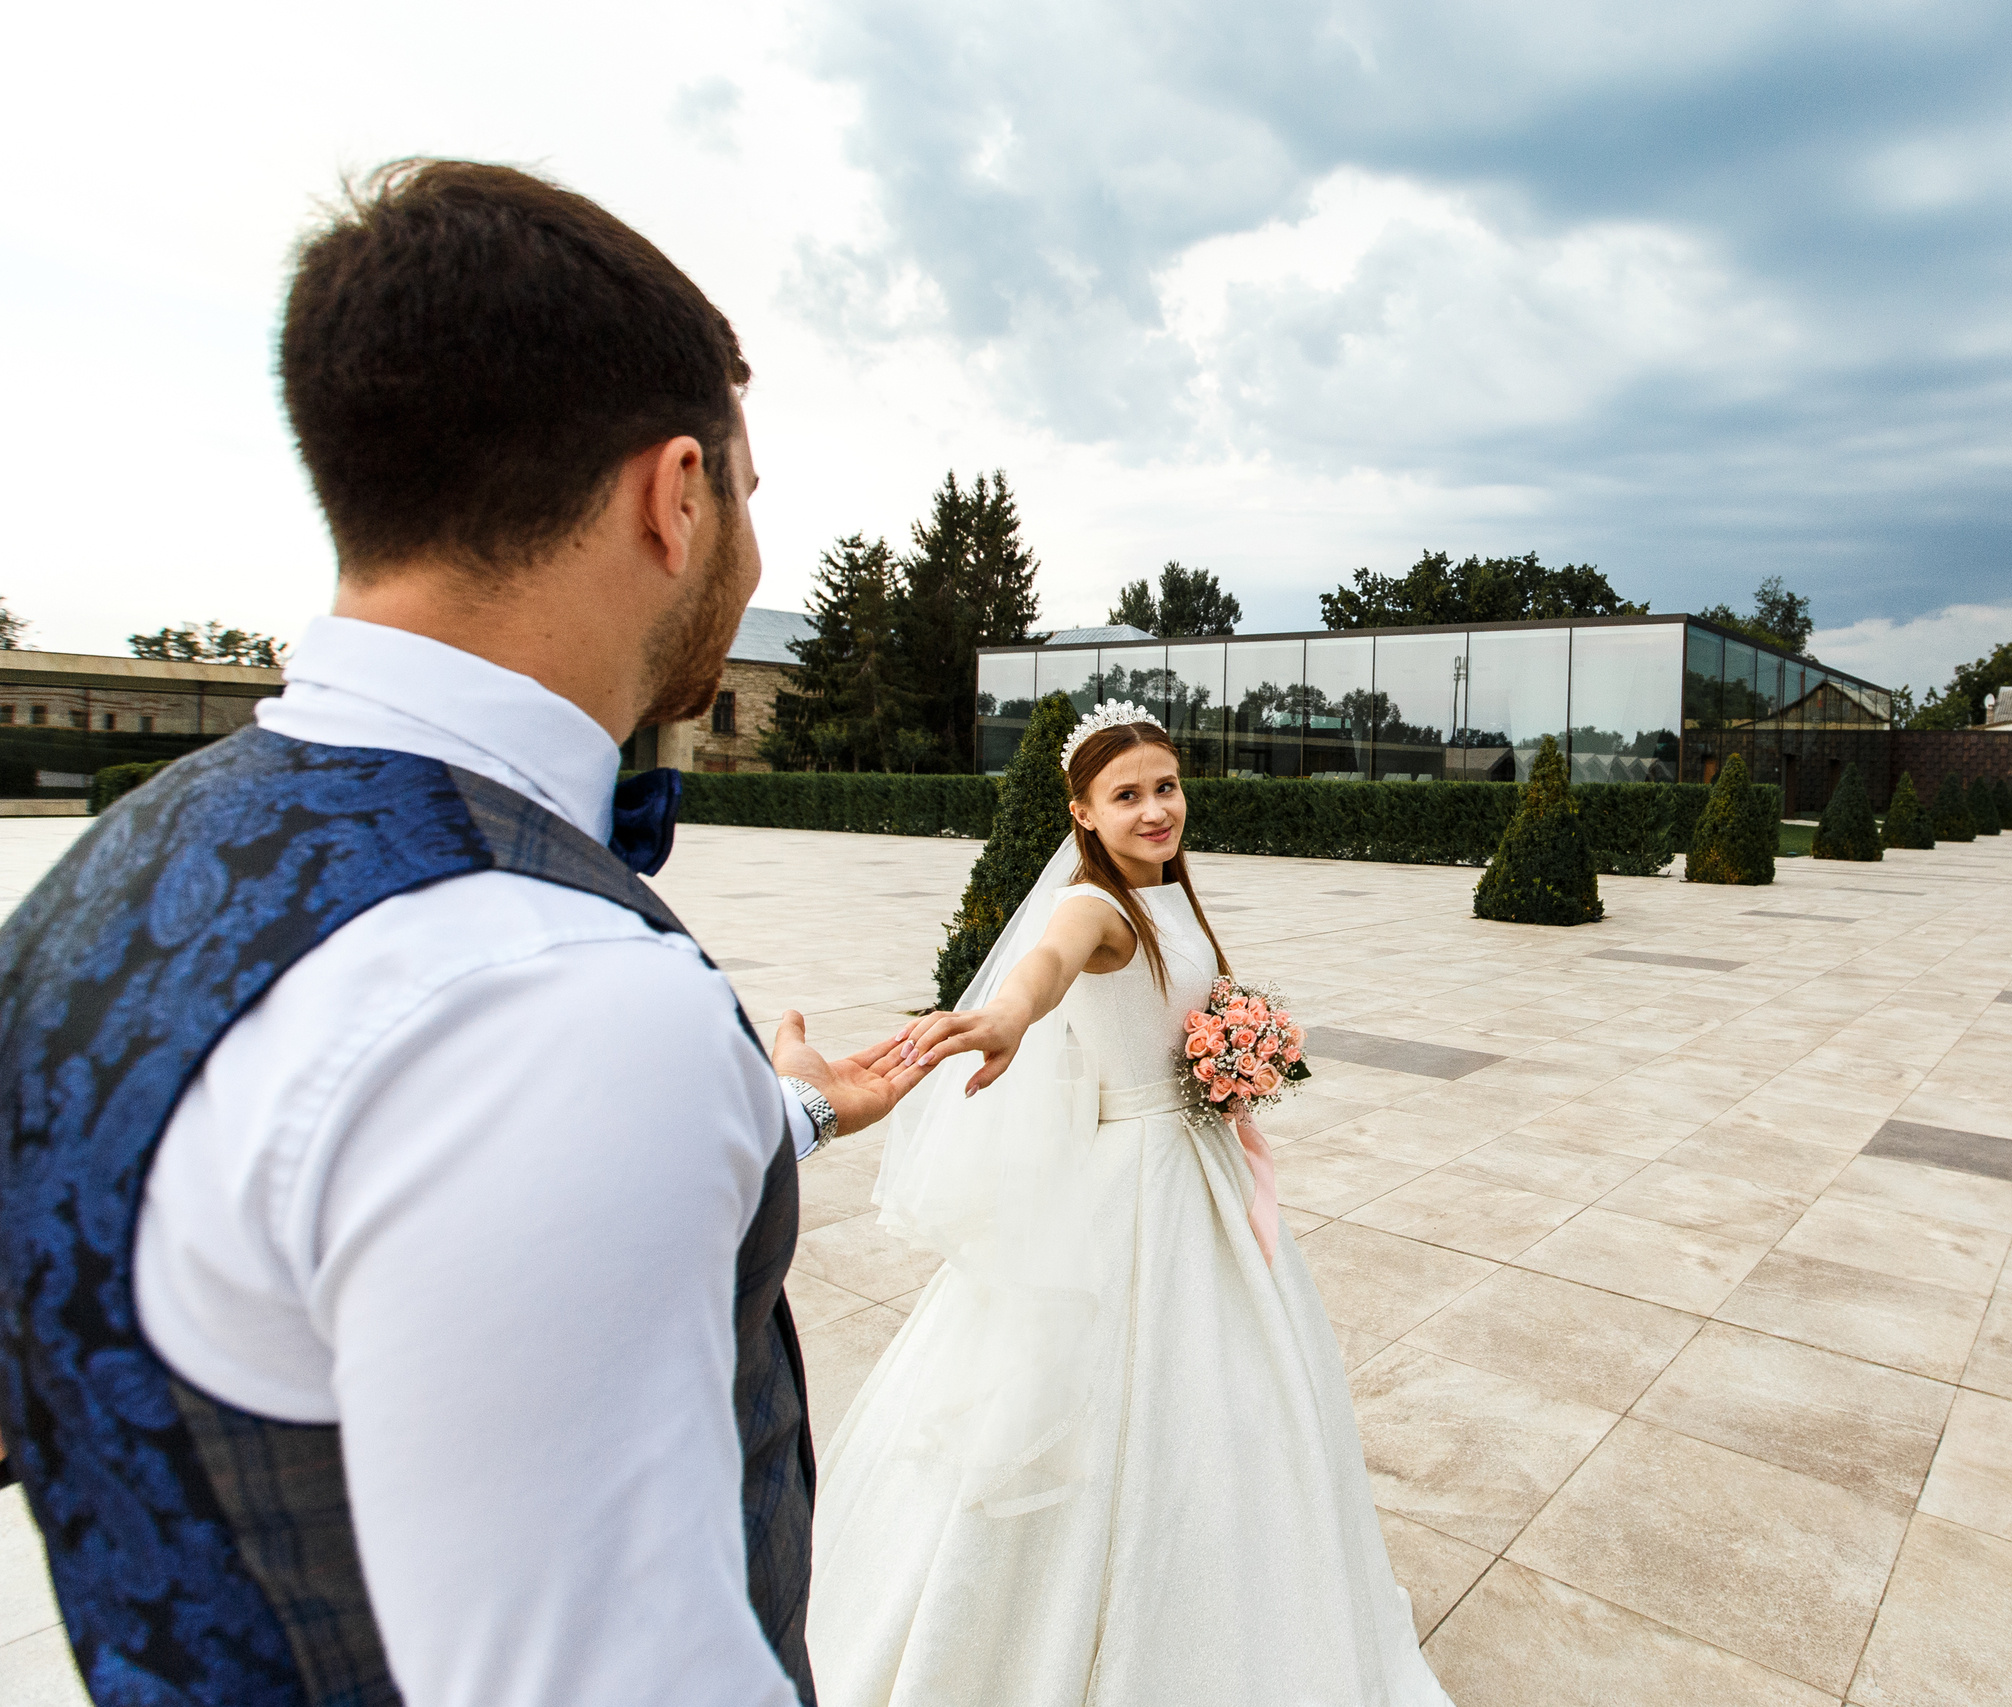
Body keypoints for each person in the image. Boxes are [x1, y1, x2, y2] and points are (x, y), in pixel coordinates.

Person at [0, 160, 925, 1705]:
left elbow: (325, 1211)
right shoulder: (557, 998)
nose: (747, 544)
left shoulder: (106, 878)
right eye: (748, 497)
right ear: (675, 493)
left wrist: (800, 1103)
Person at [804, 701, 1456, 1706]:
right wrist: (1006, 1016)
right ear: (1081, 815)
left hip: (1200, 1169)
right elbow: (1048, 965)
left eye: (1166, 786)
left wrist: (1238, 1064)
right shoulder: (1095, 907)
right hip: (1136, 1189)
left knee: (1235, 1394)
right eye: (1127, 796)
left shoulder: (1172, 900)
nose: (1155, 810)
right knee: (1116, 1404)